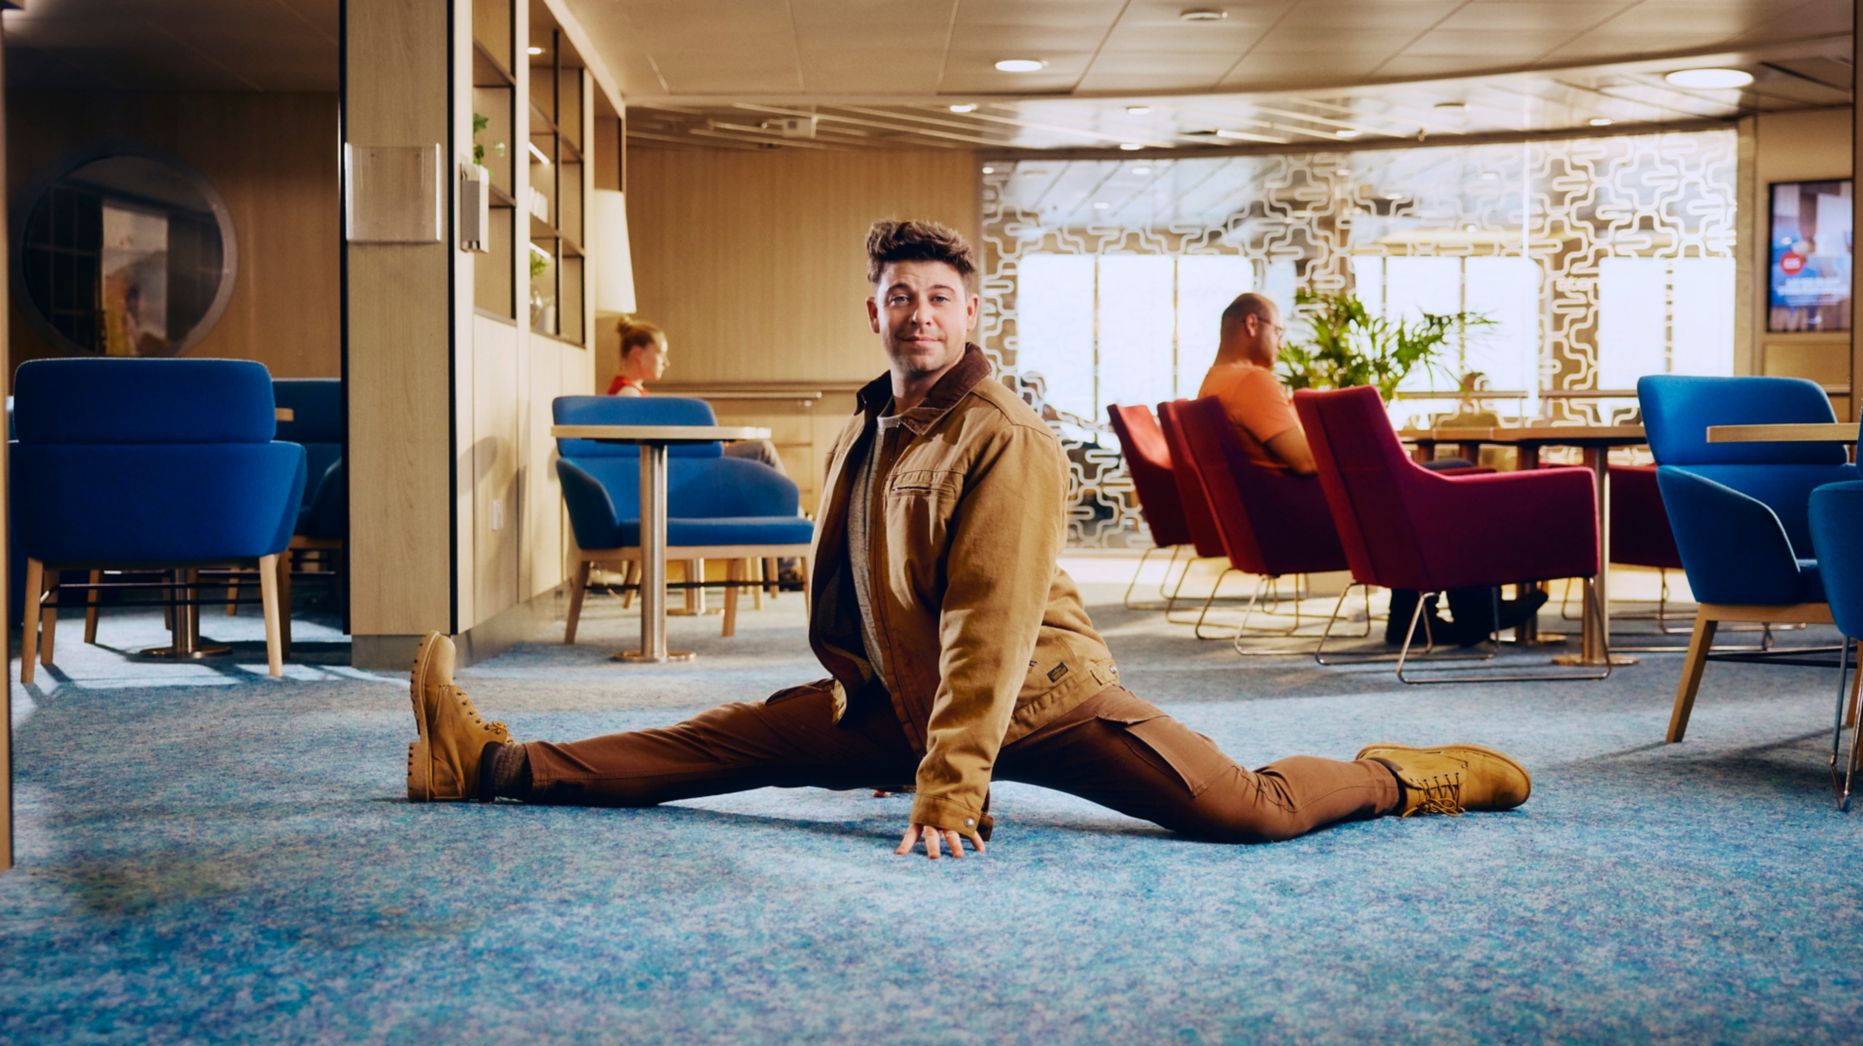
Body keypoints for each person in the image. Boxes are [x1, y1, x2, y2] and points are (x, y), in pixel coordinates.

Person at [405, 220, 1531, 857]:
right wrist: (853, 709)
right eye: (900, 296)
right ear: (875, 311)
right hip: (900, 698)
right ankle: (490, 763)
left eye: (939, 298)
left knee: (1244, 810)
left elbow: (990, 630)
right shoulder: (866, 426)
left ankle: (1399, 777)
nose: (919, 316)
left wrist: (949, 790)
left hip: (1040, 699)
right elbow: (851, 585)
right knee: (713, 745)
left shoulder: (1007, 440)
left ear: (970, 314)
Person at [1196, 292, 1547, 647]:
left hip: (1278, 514)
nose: (1283, 343)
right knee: (1458, 476)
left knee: (1433, 480)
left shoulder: (1212, 383)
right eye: (1280, 331)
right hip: (1311, 514)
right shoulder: (1252, 381)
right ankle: (1478, 611)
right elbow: (1304, 460)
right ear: (1252, 324)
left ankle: (1415, 617)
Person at [609, 315, 785, 474]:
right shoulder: (628, 396)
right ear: (638, 354)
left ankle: (792, 509)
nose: (666, 362)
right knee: (763, 449)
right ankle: (794, 509)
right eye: (661, 354)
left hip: (676, 460)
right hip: (678, 464)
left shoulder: (631, 393)